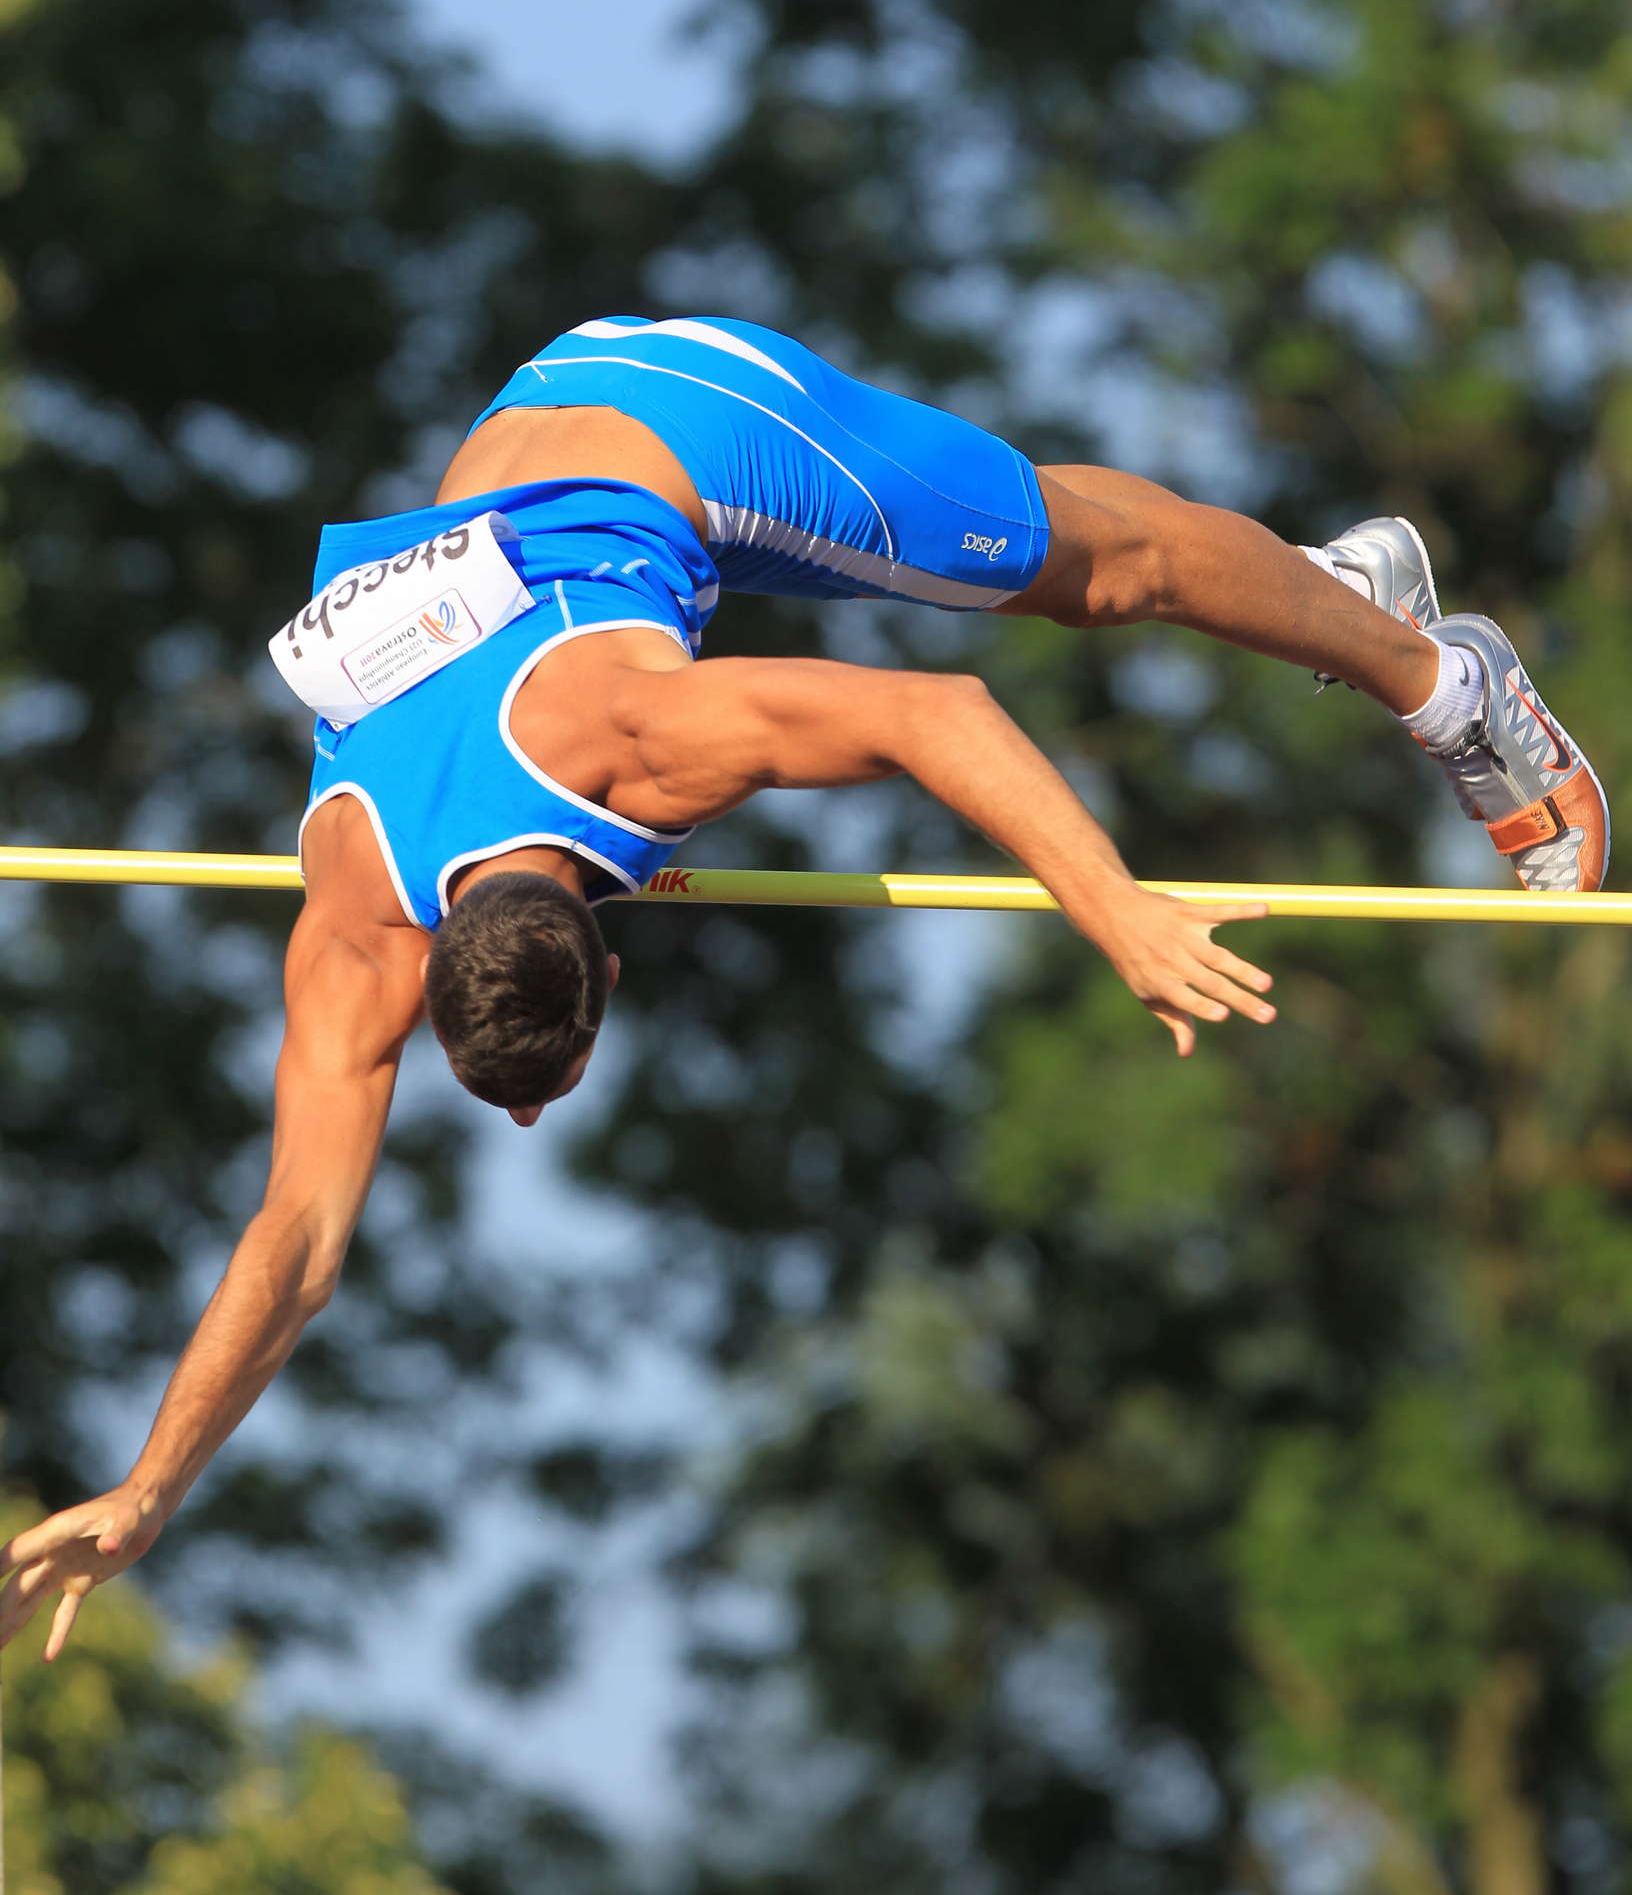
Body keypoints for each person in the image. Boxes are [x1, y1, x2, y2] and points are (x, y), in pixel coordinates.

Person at [0, 313, 1608, 1659]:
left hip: (690, 427)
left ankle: (1442, 677)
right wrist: (148, 1489)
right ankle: (1317, 584)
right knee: (1062, 539)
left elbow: (941, 717)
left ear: (604, 975)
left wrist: (1117, 913)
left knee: (1105, 572)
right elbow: (293, 1244)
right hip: (528, 448)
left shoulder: (637, 751)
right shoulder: (354, 901)